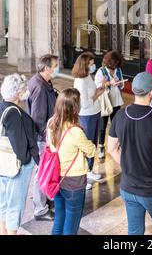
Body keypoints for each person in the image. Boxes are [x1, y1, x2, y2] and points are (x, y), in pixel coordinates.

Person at [108, 72, 152, 235]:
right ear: (151, 92)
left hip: (128, 187)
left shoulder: (120, 115)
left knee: (135, 231)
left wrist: (128, 166)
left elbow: (111, 149)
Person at [47, 88, 96, 235]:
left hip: (56, 178)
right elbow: (92, 150)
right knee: (71, 224)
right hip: (73, 182)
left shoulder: (51, 123)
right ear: (74, 107)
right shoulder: (75, 131)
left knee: (59, 219)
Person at [0, 74, 39, 235]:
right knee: (14, 206)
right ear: (17, 93)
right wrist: (27, 160)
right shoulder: (14, 113)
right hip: (14, 167)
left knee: (2, 203)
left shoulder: (2, 106)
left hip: (2, 164)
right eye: (24, 89)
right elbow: (20, 146)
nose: (26, 91)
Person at [27, 54, 59, 220]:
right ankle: (40, 209)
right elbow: (38, 118)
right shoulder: (40, 87)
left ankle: (46, 200)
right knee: (42, 173)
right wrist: (48, 139)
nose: (57, 67)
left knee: (44, 171)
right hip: (43, 138)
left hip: (46, 135)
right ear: (47, 68)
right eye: (55, 65)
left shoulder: (43, 81)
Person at [72, 52, 103, 188]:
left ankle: (89, 170)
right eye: (90, 64)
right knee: (87, 144)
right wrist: (97, 95)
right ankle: (82, 175)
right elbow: (83, 103)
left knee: (93, 143)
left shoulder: (88, 77)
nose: (93, 66)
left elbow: (93, 93)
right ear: (84, 65)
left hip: (95, 112)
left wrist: (100, 90)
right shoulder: (79, 81)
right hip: (86, 115)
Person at [95, 50, 125, 160]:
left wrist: (121, 83)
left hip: (116, 101)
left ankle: (117, 144)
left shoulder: (118, 70)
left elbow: (121, 85)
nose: (115, 67)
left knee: (116, 124)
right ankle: (101, 146)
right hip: (105, 102)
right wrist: (108, 83)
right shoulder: (101, 71)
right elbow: (98, 87)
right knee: (102, 126)